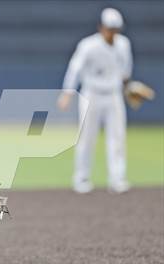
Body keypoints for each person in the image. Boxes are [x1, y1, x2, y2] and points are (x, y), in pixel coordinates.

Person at [57, 8, 133, 194]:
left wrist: (129, 89)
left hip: (114, 95)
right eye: (109, 28)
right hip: (91, 95)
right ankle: (81, 178)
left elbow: (125, 71)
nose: (112, 32)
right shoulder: (88, 45)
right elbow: (75, 68)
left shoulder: (123, 44)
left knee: (117, 138)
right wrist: (67, 92)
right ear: (101, 27)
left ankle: (117, 178)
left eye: (115, 29)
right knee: (86, 137)